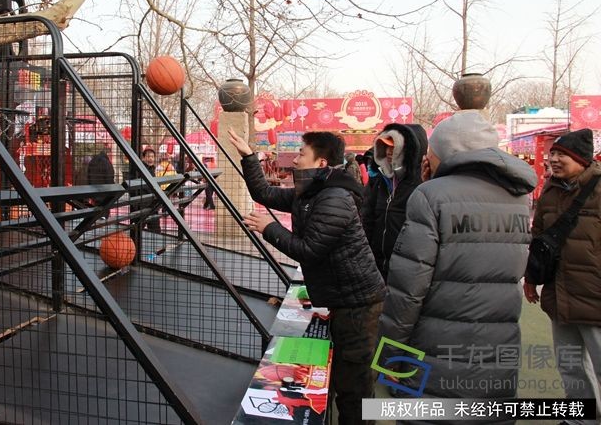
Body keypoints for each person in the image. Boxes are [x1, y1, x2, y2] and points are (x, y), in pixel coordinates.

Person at [379, 110, 536, 407]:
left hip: (434, 346)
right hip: (498, 343)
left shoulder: (430, 196)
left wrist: (390, 356)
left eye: (432, 152)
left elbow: (408, 290)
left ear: (446, 151)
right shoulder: (517, 197)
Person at [228, 127, 385, 425]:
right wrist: (249, 156)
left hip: (359, 303)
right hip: (343, 299)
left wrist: (269, 228)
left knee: (354, 384)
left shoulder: (334, 197)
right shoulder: (310, 192)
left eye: (302, 153)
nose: (296, 159)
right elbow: (264, 193)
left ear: (321, 163)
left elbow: (309, 249)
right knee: (345, 376)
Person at [524, 129, 601, 417]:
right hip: (559, 293)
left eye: (561, 155)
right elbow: (539, 237)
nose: (553, 160)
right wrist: (531, 278)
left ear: (581, 159)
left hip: (594, 295)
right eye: (552, 154)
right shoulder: (551, 189)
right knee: (570, 364)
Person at [360, 124, 427, 280]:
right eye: (386, 146)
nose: (389, 151)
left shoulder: (422, 184)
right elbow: (368, 220)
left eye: (394, 147)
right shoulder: (379, 181)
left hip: (409, 271)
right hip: (376, 268)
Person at [87, 144, 115, 218]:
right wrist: (112, 193)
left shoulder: (92, 162)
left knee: (95, 214)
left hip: (95, 193)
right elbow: (109, 179)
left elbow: (88, 177)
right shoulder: (107, 163)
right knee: (104, 214)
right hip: (105, 194)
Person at [140, 147, 161, 232]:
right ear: (143, 158)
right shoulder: (141, 169)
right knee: (140, 226)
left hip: (152, 203)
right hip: (143, 203)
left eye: (152, 157)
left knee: (154, 227)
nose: (151, 159)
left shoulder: (152, 169)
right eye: (148, 156)